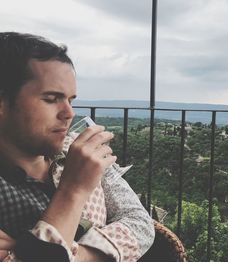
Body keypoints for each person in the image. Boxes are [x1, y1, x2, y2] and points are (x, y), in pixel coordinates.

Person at [0, 32, 155, 261]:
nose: (69, 113)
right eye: (51, 99)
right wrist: (73, 189)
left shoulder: (79, 149)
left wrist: (70, 255)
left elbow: (140, 223)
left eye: (70, 100)